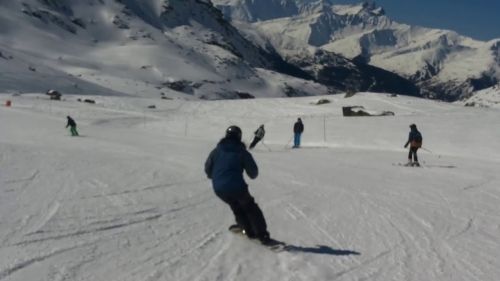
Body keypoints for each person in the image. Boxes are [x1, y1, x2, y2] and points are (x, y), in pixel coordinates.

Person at [204, 125, 271, 244]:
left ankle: (248, 229)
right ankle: (262, 235)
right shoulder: (241, 152)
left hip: (219, 188)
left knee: (236, 206)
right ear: (239, 137)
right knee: (250, 207)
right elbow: (253, 173)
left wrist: (216, 177)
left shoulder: (216, 151)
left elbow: (208, 169)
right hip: (237, 187)